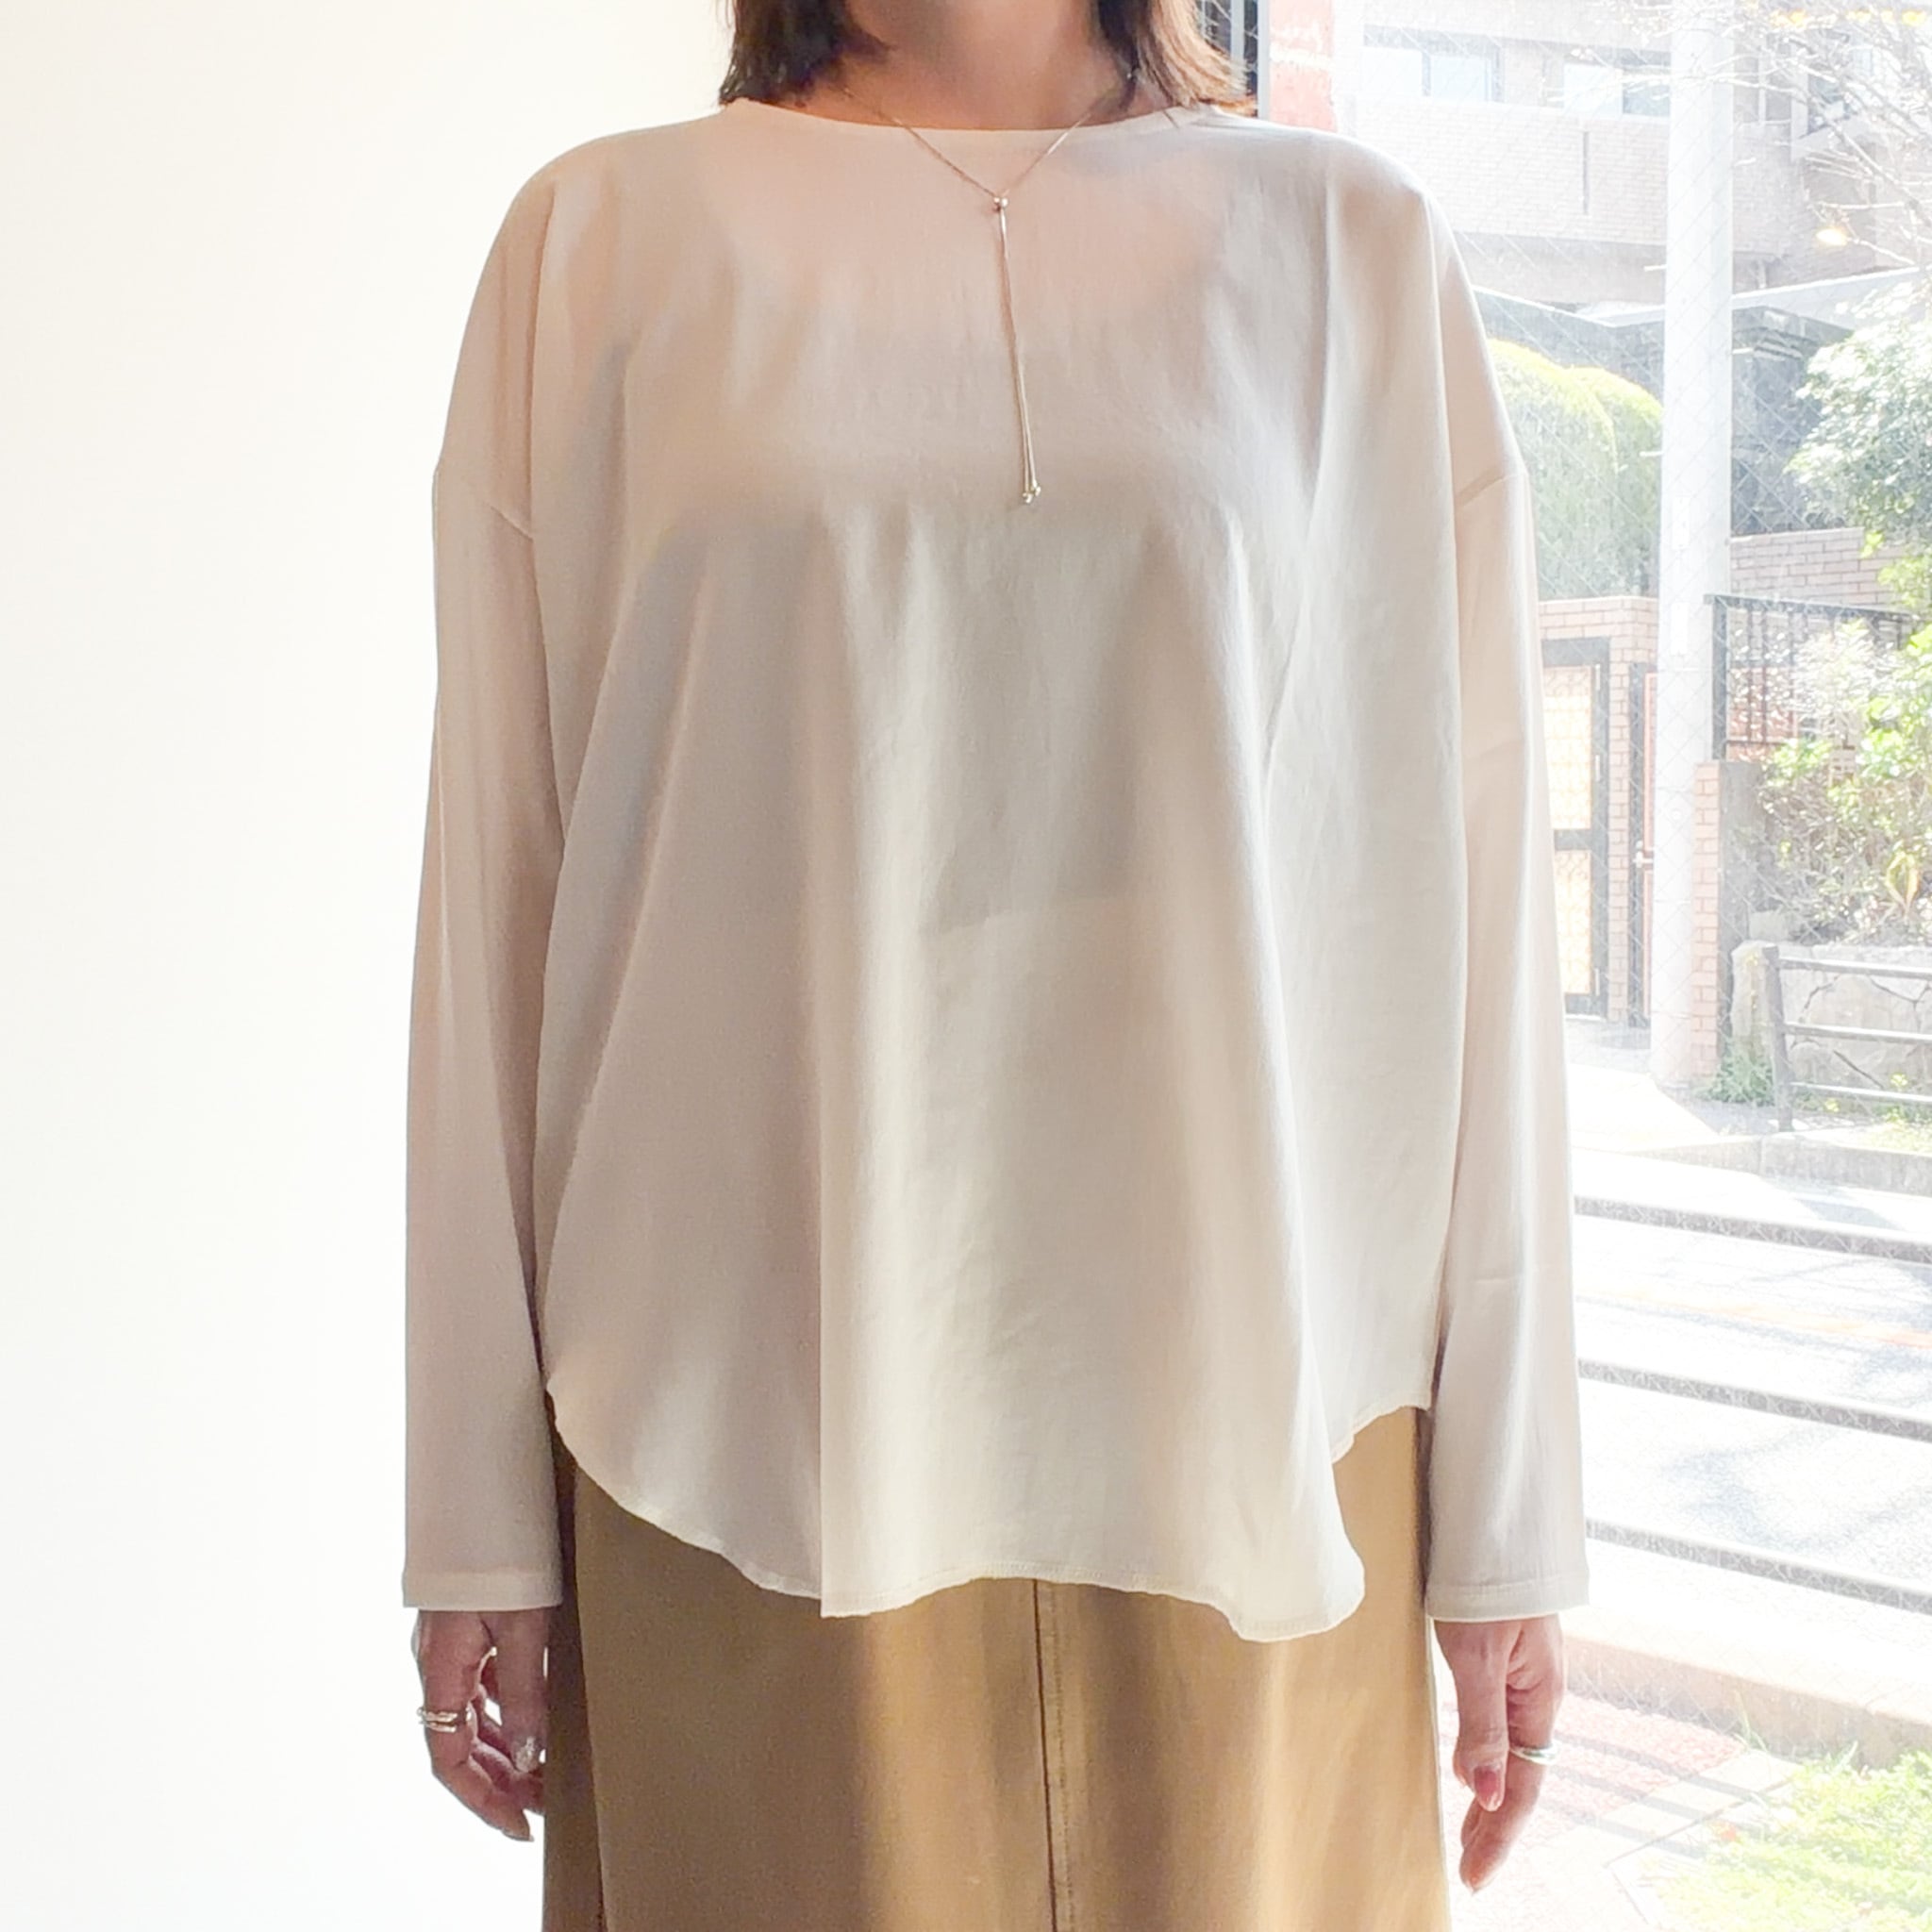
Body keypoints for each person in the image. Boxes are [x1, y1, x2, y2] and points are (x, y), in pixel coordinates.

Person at [402, 2, 1591, 1925]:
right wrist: (471, 1516)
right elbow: (500, 885)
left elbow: (1466, 896)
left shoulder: (1347, 246)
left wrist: (1510, 1521)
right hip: (743, 1434)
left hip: (1254, 1437)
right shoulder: (600, 243)